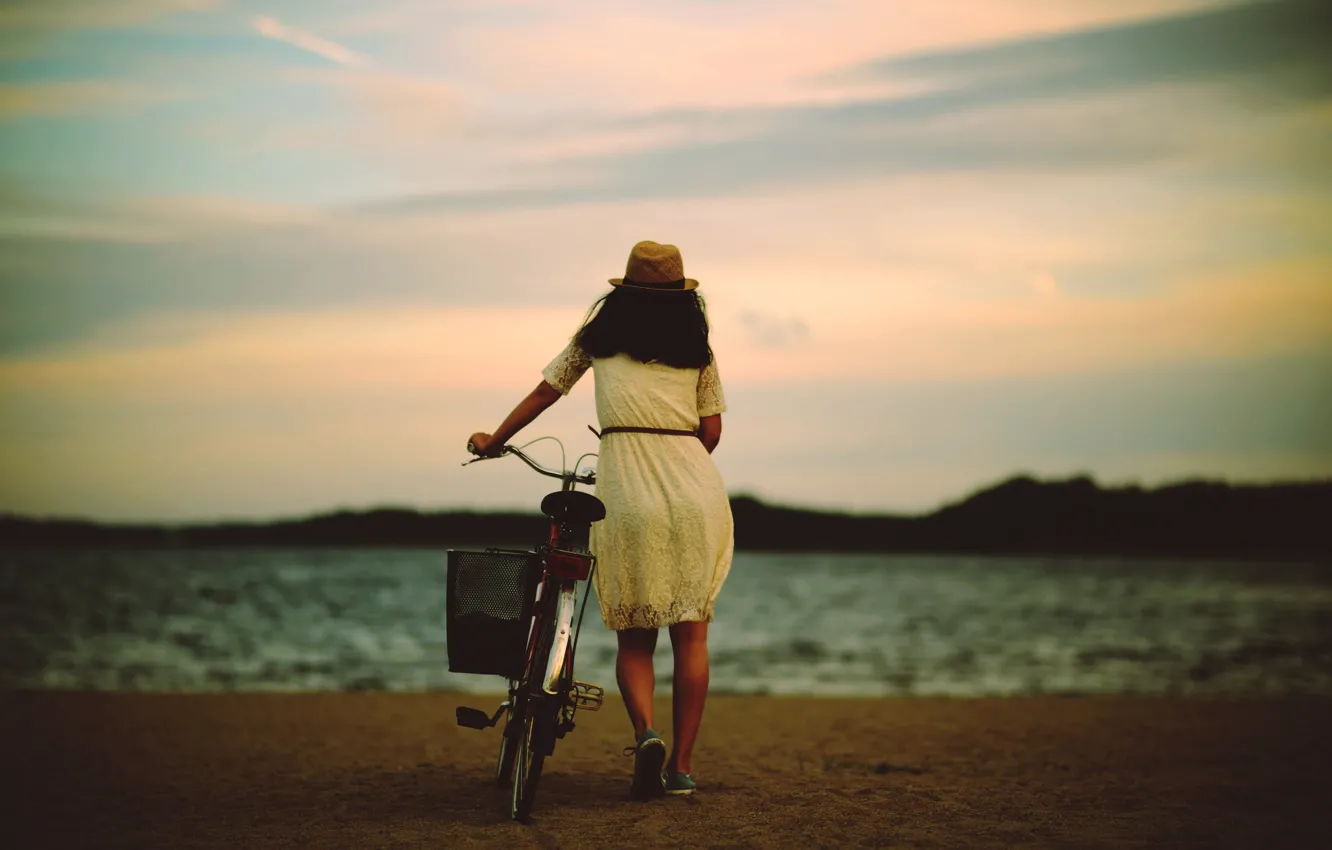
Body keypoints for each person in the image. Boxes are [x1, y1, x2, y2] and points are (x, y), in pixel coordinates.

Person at [467, 240, 734, 800]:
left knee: (636, 638)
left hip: (627, 488)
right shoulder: (698, 350)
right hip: (694, 491)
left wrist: (495, 440)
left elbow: (547, 390)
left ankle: (645, 734)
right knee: (691, 635)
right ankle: (681, 769)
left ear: (624, 292)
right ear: (683, 297)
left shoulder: (599, 340)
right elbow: (710, 434)